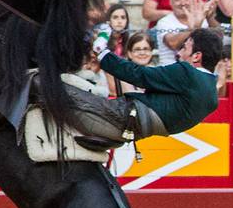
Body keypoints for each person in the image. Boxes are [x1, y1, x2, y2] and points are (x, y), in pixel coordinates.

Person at [68, 28, 225, 150]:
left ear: (196, 56)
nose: (179, 52)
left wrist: (102, 53)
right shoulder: (211, 93)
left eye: (184, 47)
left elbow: (140, 75)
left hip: (122, 116)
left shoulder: (187, 73)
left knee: (61, 91)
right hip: (135, 130)